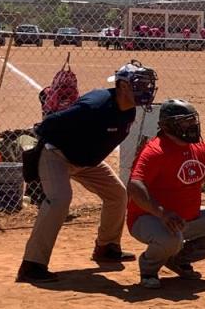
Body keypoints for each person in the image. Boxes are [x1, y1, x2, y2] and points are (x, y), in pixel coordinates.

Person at [16, 61, 158, 284]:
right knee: (60, 200)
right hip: (57, 155)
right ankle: (32, 265)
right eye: (139, 84)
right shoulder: (96, 105)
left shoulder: (129, 109)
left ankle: (106, 247)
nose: (146, 90)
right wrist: (36, 144)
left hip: (88, 162)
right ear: (121, 86)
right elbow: (52, 122)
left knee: (117, 195)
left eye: (148, 85)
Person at [126, 99, 205, 288]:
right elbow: (135, 186)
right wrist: (162, 212)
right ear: (167, 126)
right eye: (185, 122)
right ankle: (149, 270)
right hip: (149, 218)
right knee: (170, 239)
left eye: (193, 120)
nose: (192, 126)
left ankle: (177, 260)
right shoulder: (155, 151)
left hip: (185, 218)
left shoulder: (200, 148)